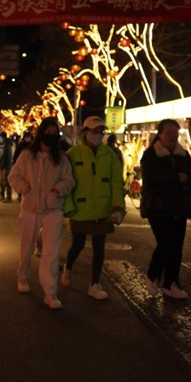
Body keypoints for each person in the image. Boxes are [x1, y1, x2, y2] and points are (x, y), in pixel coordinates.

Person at [140, 119, 191, 299]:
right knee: (165, 244)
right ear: (160, 135)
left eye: (175, 134)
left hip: (179, 207)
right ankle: (152, 275)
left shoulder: (183, 155)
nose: (172, 137)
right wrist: (175, 177)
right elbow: (151, 179)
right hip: (157, 208)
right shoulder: (150, 155)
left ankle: (171, 284)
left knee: (177, 247)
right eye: (168, 133)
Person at [8, 118, 75, 310]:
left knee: (51, 253)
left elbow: (69, 180)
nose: (50, 136)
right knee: (26, 246)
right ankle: (22, 278)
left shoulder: (62, 159)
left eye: (54, 133)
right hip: (30, 209)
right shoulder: (27, 155)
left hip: (53, 210)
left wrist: (59, 189)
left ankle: (50, 293)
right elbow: (14, 176)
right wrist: (25, 188)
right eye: (48, 132)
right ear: (41, 133)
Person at [62, 116, 126, 301]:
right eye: (95, 131)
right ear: (85, 132)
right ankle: (68, 267)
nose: (98, 135)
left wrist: (118, 205)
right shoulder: (73, 154)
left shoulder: (110, 155)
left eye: (101, 131)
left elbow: (116, 182)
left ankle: (95, 284)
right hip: (80, 209)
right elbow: (66, 182)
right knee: (78, 244)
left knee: (99, 247)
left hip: (103, 209)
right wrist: (68, 206)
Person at [0, 133, 13, 202]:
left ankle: (8, 197)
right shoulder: (2, 144)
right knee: (1, 182)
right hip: (2, 166)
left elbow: (7, 156)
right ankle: (2, 195)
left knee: (6, 181)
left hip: (6, 166)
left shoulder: (6, 145)